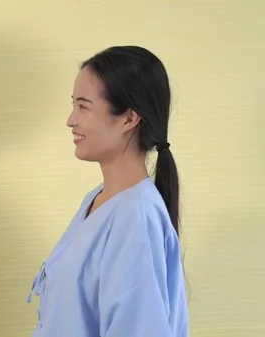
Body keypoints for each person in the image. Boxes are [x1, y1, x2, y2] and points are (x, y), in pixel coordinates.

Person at [27, 46, 189, 337]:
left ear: (129, 118)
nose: (70, 120)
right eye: (73, 105)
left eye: (83, 106)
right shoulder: (98, 200)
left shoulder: (134, 218)